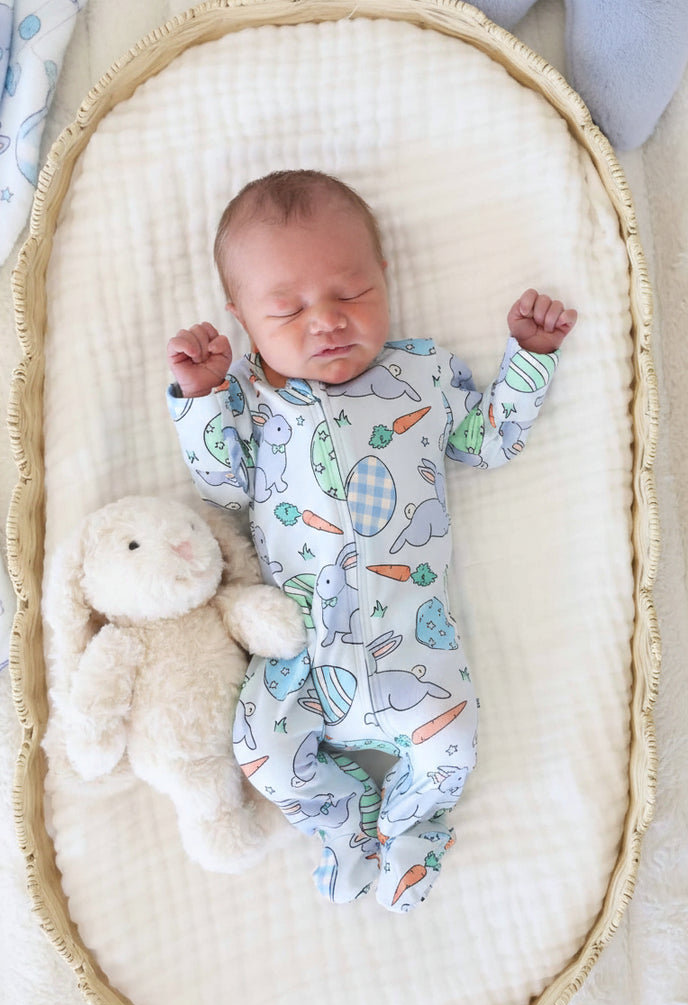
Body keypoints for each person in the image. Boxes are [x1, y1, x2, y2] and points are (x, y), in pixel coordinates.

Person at [166, 169, 577, 912]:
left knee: (450, 745)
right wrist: (199, 400)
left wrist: (528, 360)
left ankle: (413, 825)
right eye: (287, 309)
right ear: (242, 320)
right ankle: (343, 820)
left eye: (351, 294)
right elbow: (223, 488)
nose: (325, 321)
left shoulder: (421, 375)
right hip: (301, 655)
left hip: (414, 649)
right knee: (261, 749)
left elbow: (487, 441)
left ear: (384, 278)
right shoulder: (252, 403)